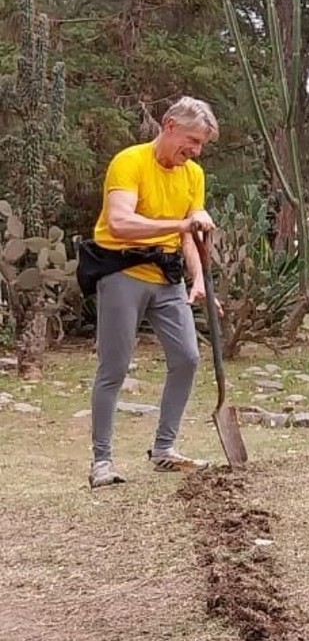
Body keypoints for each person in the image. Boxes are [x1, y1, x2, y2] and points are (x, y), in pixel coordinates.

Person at [81, 97, 220, 488]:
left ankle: (164, 450)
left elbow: (191, 235)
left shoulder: (193, 174)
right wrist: (182, 224)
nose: (194, 151)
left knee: (188, 358)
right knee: (114, 367)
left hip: (167, 275)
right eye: (191, 140)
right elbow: (121, 222)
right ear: (169, 124)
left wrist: (197, 278)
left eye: (201, 145)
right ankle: (102, 462)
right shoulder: (130, 161)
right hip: (122, 270)